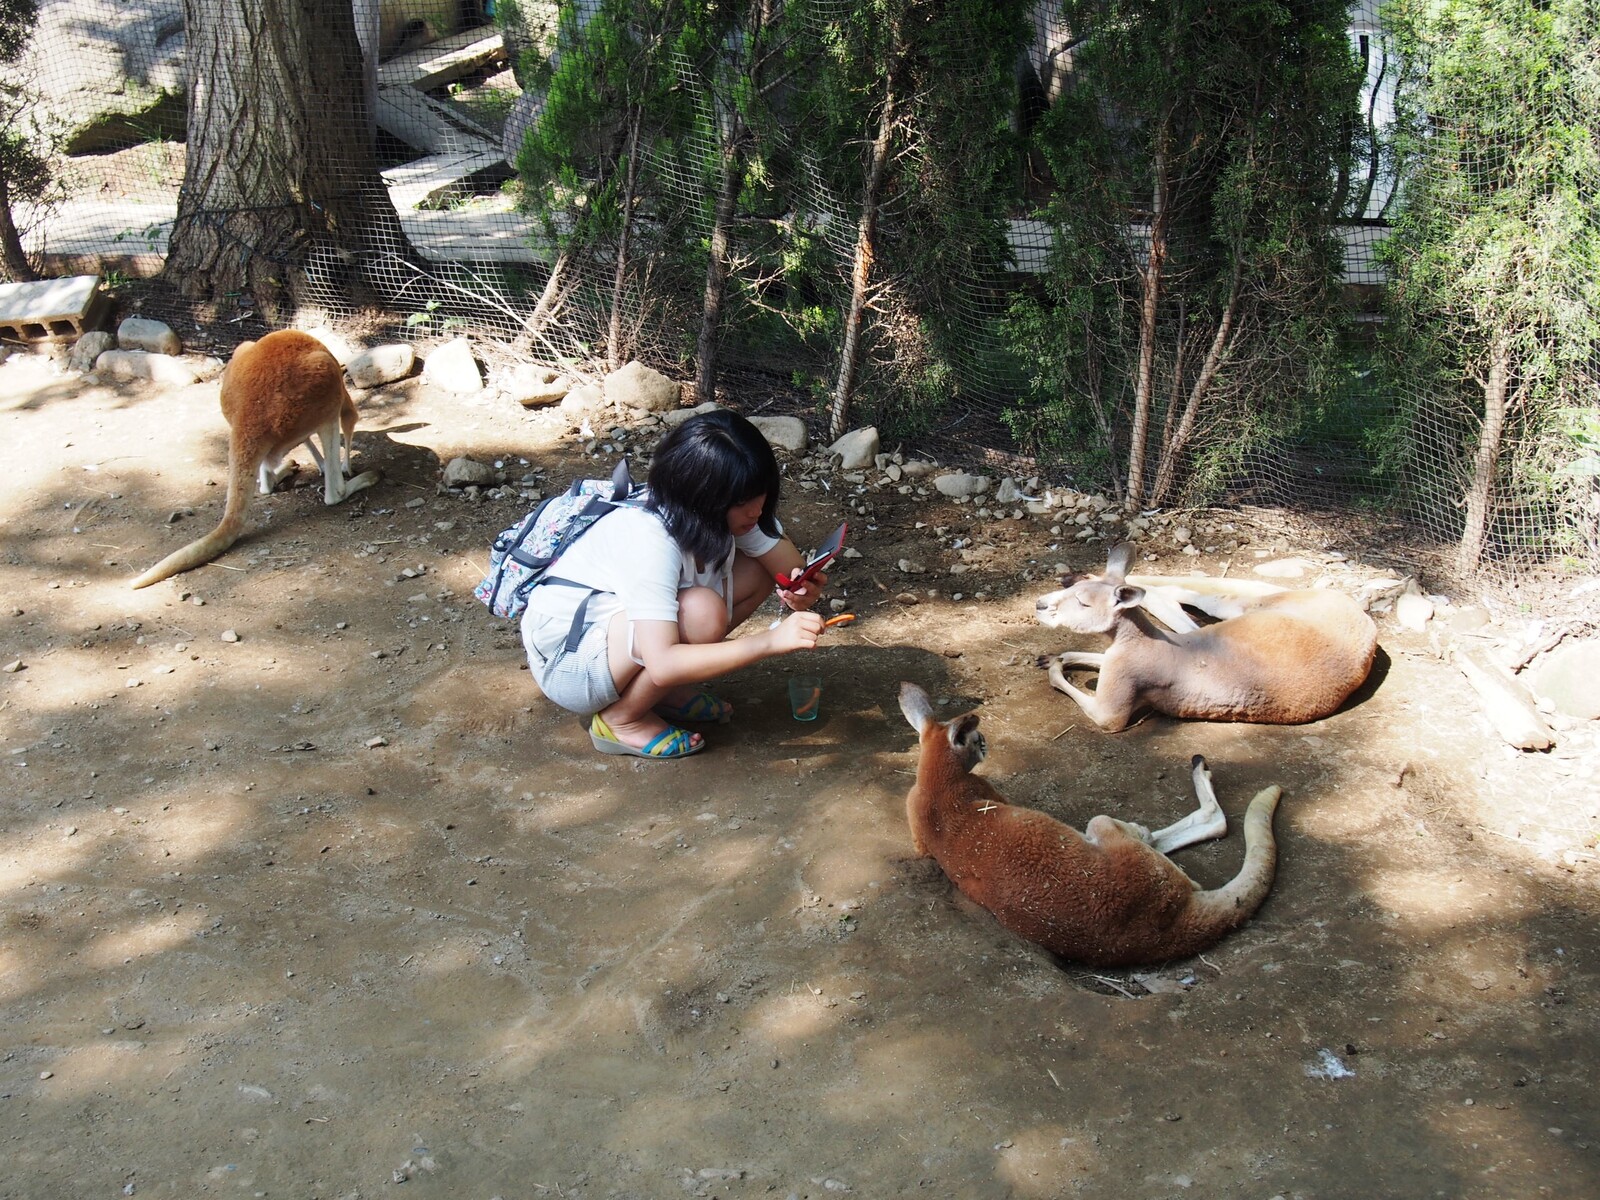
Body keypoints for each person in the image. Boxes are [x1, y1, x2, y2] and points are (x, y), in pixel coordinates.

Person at [520, 409, 829, 759]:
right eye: (742, 501)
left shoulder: (725, 511)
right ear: (703, 497)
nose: (756, 511)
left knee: (759, 571)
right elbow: (664, 660)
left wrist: (800, 588)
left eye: (760, 493)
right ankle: (621, 720)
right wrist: (769, 642)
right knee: (701, 612)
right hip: (570, 663)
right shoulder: (650, 538)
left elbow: (787, 570)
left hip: (618, 638)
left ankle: (661, 694)